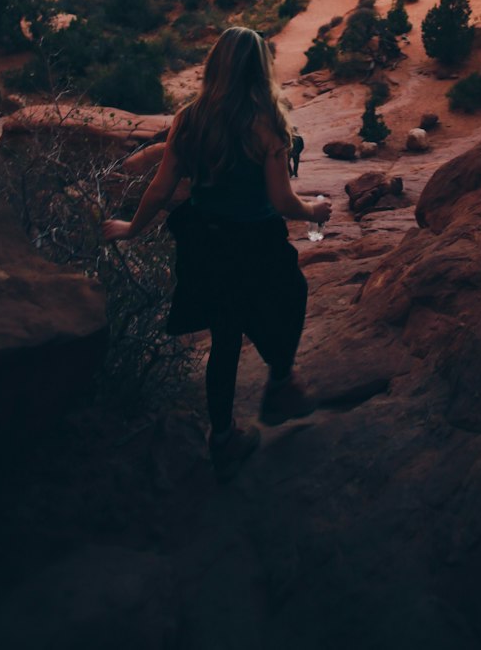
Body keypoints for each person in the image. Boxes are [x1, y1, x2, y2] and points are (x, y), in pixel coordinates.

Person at [102, 27, 330, 481]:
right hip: (256, 243)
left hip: (205, 241)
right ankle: (282, 381)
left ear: (214, 64)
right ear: (260, 68)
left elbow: (162, 186)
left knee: (226, 336)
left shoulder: (190, 118)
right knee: (290, 298)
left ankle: (224, 438)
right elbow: (283, 202)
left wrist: (131, 229)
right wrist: (316, 210)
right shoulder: (268, 124)